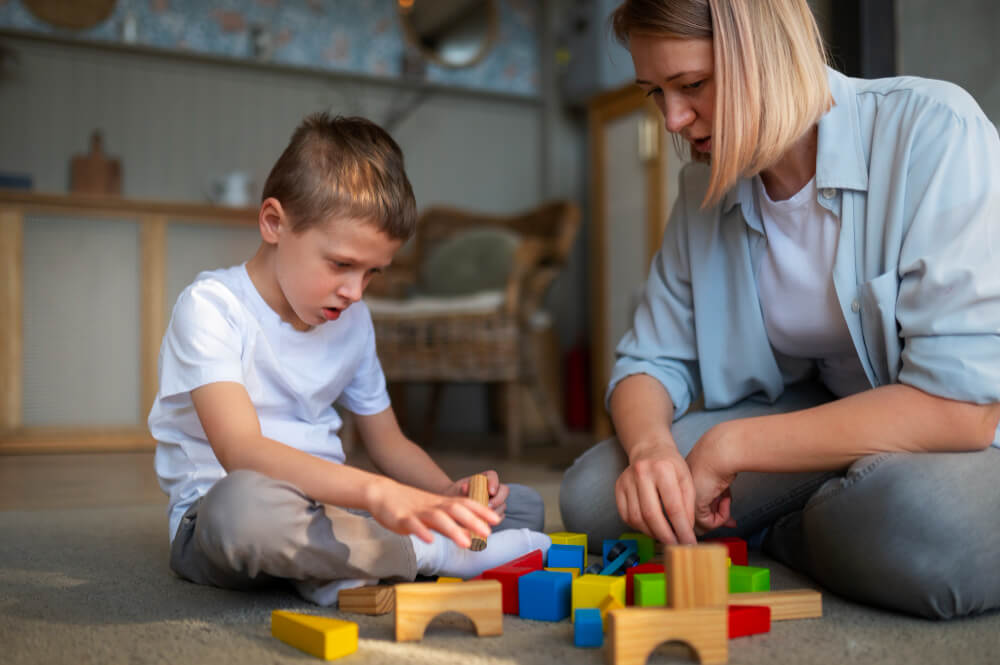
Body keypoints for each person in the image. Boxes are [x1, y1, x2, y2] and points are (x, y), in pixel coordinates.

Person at [560, 0, 1000, 620]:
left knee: (925, 525)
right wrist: (652, 450)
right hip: (821, 415)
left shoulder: (934, 130)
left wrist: (733, 446)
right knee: (596, 501)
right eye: (655, 93)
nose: (674, 119)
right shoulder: (701, 192)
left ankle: (787, 530)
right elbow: (647, 362)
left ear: (765, 52)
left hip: (963, 432)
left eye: (691, 85)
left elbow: (962, 410)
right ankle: (830, 521)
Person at [149, 113, 549, 606]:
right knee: (244, 512)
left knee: (521, 508)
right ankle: (433, 556)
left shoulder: (353, 321)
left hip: (333, 512)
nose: (355, 292)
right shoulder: (211, 307)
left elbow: (389, 442)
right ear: (275, 223)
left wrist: (447, 493)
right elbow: (242, 452)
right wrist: (380, 495)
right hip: (223, 516)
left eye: (373, 273)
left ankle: (338, 563)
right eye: (341, 264)